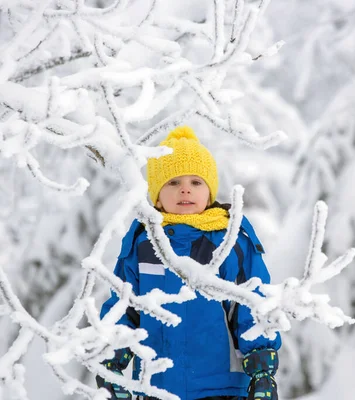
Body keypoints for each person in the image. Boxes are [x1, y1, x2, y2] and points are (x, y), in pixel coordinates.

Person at [98, 126, 281, 400]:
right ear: (157, 196)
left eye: (196, 182)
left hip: (221, 388)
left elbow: (253, 306)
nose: (185, 189)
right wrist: (111, 361)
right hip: (155, 386)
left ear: (209, 193)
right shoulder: (142, 244)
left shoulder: (230, 241)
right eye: (173, 182)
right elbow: (124, 305)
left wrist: (262, 371)